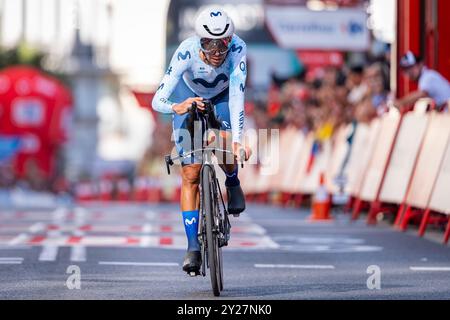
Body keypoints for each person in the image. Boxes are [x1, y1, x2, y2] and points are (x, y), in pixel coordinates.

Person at [152, 7, 251, 274]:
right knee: (191, 174)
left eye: (224, 44)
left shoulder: (239, 49)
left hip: (221, 97)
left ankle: (232, 181)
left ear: (231, 40)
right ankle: (193, 246)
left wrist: (238, 141)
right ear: (199, 41)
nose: (218, 52)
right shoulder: (185, 51)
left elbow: (237, 97)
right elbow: (157, 100)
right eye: (210, 44)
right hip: (188, 97)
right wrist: (178, 106)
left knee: (224, 143)